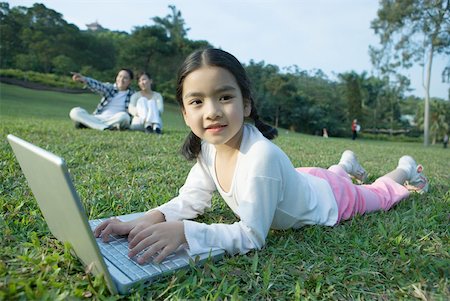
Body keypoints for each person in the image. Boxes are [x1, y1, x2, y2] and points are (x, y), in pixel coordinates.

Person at [94, 48, 429, 265]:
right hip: (305, 179)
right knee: (326, 176)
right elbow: (190, 200)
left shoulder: (261, 158)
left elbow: (253, 235)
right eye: (197, 101)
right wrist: (147, 218)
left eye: (224, 97)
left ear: (247, 103)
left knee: (380, 195)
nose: (211, 112)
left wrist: (185, 233)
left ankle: (404, 167)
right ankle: (344, 165)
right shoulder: (209, 147)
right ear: (183, 113)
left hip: (332, 200)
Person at [69, 69, 134, 130]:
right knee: (75, 112)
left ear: (130, 81)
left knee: (125, 117)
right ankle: (105, 127)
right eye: (119, 76)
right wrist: (85, 79)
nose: (121, 79)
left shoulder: (133, 94)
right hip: (98, 118)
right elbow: (99, 86)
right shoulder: (110, 88)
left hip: (115, 120)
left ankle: (90, 125)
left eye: (125, 78)